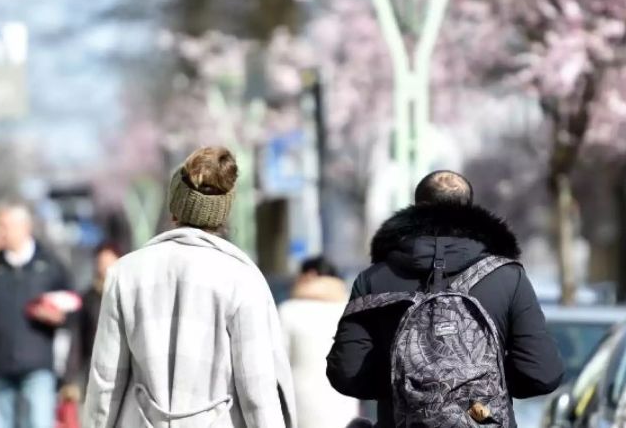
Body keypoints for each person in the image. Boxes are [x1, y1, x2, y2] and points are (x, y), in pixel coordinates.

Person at [326, 170, 564, 428]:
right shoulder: (507, 277)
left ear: (416, 210)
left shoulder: (374, 279)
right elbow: (542, 373)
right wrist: (478, 384)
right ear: (470, 209)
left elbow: (346, 373)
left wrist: (410, 384)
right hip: (481, 419)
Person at [83, 146, 297, 427]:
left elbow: (105, 383)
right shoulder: (242, 278)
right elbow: (257, 391)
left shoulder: (125, 273)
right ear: (222, 215)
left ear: (175, 207)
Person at [0, 200, 73, 428]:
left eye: (5, 225)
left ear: (25, 227)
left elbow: (73, 307)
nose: (0, 232)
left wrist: (58, 318)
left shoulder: (50, 265)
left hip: (38, 366)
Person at [279, 256, 360, 428]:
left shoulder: (289, 311)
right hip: (344, 408)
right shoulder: (350, 311)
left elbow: (277, 365)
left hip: (301, 410)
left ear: (310, 275)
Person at [63, 241, 122, 399]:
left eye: (109, 262)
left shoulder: (128, 295)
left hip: (123, 369)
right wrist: (70, 379)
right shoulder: (88, 299)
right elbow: (77, 341)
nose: (105, 268)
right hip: (94, 370)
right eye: (101, 263)